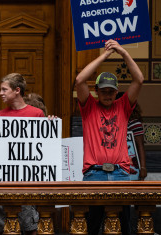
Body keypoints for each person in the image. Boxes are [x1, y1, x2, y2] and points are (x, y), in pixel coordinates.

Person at [75, 39, 144, 235]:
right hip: (94, 173)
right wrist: (105, 55)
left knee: (125, 227)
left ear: (116, 92)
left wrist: (123, 52)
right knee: (92, 226)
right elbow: (80, 80)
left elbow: (139, 79)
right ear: (96, 91)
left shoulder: (122, 106)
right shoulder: (89, 107)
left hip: (121, 173)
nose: (107, 95)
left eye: (111, 91)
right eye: (103, 91)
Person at [0, 73, 43, 235]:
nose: (0, 93)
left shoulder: (36, 114)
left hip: (27, 183)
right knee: (3, 231)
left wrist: (49, 125)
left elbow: (42, 147)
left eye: (4, 89)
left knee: (30, 229)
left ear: (17, 90)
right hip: (2, 182)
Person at [116, 92, 147, 181]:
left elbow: (140, 145)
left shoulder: (134, 123)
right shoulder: (115, 123)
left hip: (132, 167)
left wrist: (143, 168)